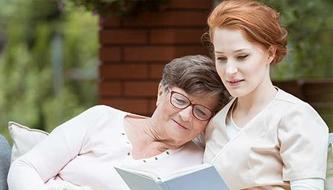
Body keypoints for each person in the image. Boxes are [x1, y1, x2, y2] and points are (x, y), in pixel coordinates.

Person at [8, 55, 229, 190]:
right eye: (179, 100)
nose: (185, 115)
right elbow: (26, 167)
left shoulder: (197, 164)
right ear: (161, 92)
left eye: (200, 111)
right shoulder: (100, 118)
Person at [203, 0, 329, 189]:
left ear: (270, 53)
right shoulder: (215, 122)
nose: (229, 70)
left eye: (242, 56)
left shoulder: (296, 117)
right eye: (221, 58)